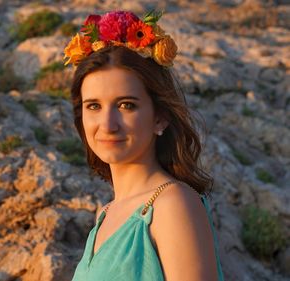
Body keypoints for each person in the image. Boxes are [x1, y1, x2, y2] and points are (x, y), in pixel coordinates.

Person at [63, 10, 225, 281]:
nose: (108, 124)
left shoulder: (173, 204)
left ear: (159, 118)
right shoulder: (105, 214)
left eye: (126, 105)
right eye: (94, 106)